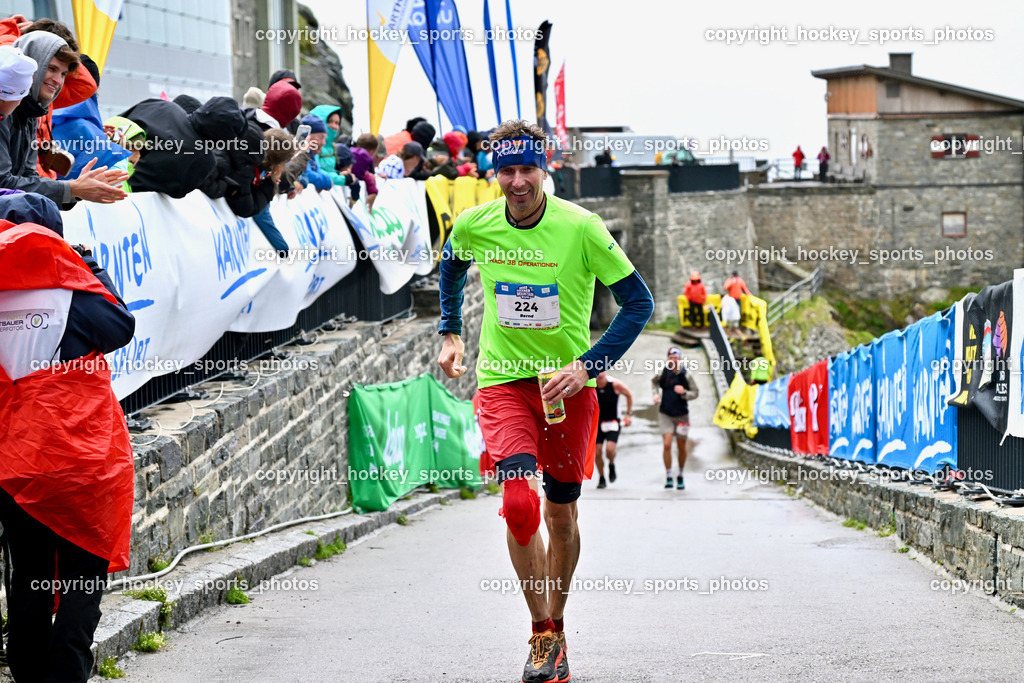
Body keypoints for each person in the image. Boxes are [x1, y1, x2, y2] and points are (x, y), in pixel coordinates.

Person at [438, 119, 653, 683]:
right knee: (519, 505)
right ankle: (541, 636)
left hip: (567, 392)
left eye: (526, 169)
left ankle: (557, 622)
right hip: (503, 383)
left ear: (545, 169)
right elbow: (452, 262)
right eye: (505, 171)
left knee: (561, 513)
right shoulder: (476, 224)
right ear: (492, 173)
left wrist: (587, 366)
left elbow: (638, 303)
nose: (516, 182)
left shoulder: (581, 228)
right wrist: (450, 330)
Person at [0, 193, 135, 682]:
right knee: (83, 565)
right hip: (82, 457)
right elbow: (120, 326)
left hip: (14, 463)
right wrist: (88, 266)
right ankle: (68, 668)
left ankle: (29, 671)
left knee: (29, 570)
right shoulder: (73, 293)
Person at [0, 33, 125, 207]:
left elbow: (28, 178)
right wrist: (72, 188)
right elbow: (4, 184)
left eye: (64, 73)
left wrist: (80, 189)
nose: (58, 81)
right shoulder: (5, 109)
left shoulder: (31, 113)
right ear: (30, 65)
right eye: (51, 69)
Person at [652, 347, 698, 490]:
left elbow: (695, 393)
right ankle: (669, 475)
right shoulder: (663, 372)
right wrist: (656, 394)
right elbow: (654, 383)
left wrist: (684, 392)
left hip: (682, 415)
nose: (673, 360)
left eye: (676, 358)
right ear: (668, 358)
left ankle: (680, 475)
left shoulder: (686, 375)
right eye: (671, 357)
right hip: (665, 413)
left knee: (681, 446)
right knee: (667, 444)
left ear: (679, 359)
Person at [593, 371, 633, 489]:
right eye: (597, 371)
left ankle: (611, 464)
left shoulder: (615, 384)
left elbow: (629, 395)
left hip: (613, 422)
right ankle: (601, 477)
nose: (600, 374)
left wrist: (628, 415)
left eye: (602, 371)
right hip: (596, 423)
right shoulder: (591, 384)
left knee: (609, 450)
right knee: (598, 452)